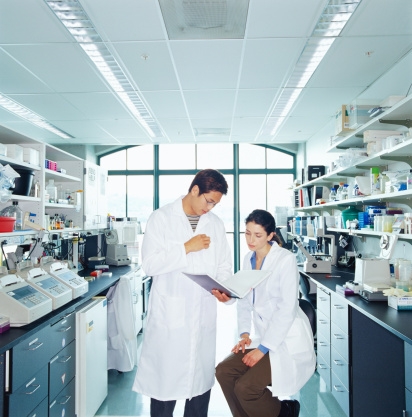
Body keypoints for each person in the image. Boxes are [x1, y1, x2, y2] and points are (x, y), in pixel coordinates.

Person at [133, 169, 233, 417]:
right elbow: (150, 264)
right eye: (208, 201)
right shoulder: (161, 218)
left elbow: (224, 269)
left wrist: (225, 292)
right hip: (171, 319)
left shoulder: (216, 225)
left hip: (202, 318)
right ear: (195, 190)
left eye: (215, 204)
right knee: (165, 389)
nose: (210, 208)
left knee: (199, 390)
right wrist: (186, 248)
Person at [215, 209, 316, 417]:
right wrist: (244, 334)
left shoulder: (285, 260)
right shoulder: (247, 259)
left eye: (258, 235)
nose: (251, 240)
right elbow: (244, 299)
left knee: (246, 388)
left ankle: (284, 412)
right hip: (264, 336)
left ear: (270, 235)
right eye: (247, 233)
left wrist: (262, 349)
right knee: (224, 372)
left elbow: (286, 310)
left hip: (285, 340)